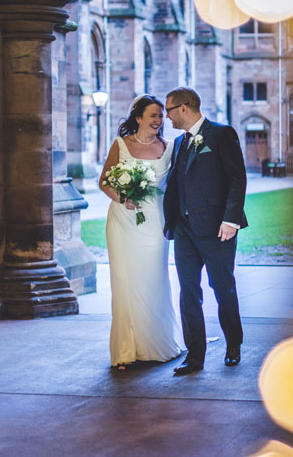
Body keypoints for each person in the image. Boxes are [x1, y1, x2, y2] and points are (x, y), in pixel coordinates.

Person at [163, 87, 248, 375]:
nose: (167, 116)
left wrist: (231, 219)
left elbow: (237, 178)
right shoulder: (178, 143)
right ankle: (195, 355)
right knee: (188, 292)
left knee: (223, 288)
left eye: (169, 110)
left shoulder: (222, 134)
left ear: (184, 108)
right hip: (184, 230)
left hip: (217, 229)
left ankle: (233, 345)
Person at [99, 94, 184, 371]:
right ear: (138, 118)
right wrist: (122, 198)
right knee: (124, 282)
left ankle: (156, 344)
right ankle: (126, 350)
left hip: (154, 221)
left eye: (161, 116)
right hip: (123, 220)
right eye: (153, 116)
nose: (159, 121)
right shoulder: (120, 145)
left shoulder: (169, 148)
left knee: (153, 279)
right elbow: (104, 181)